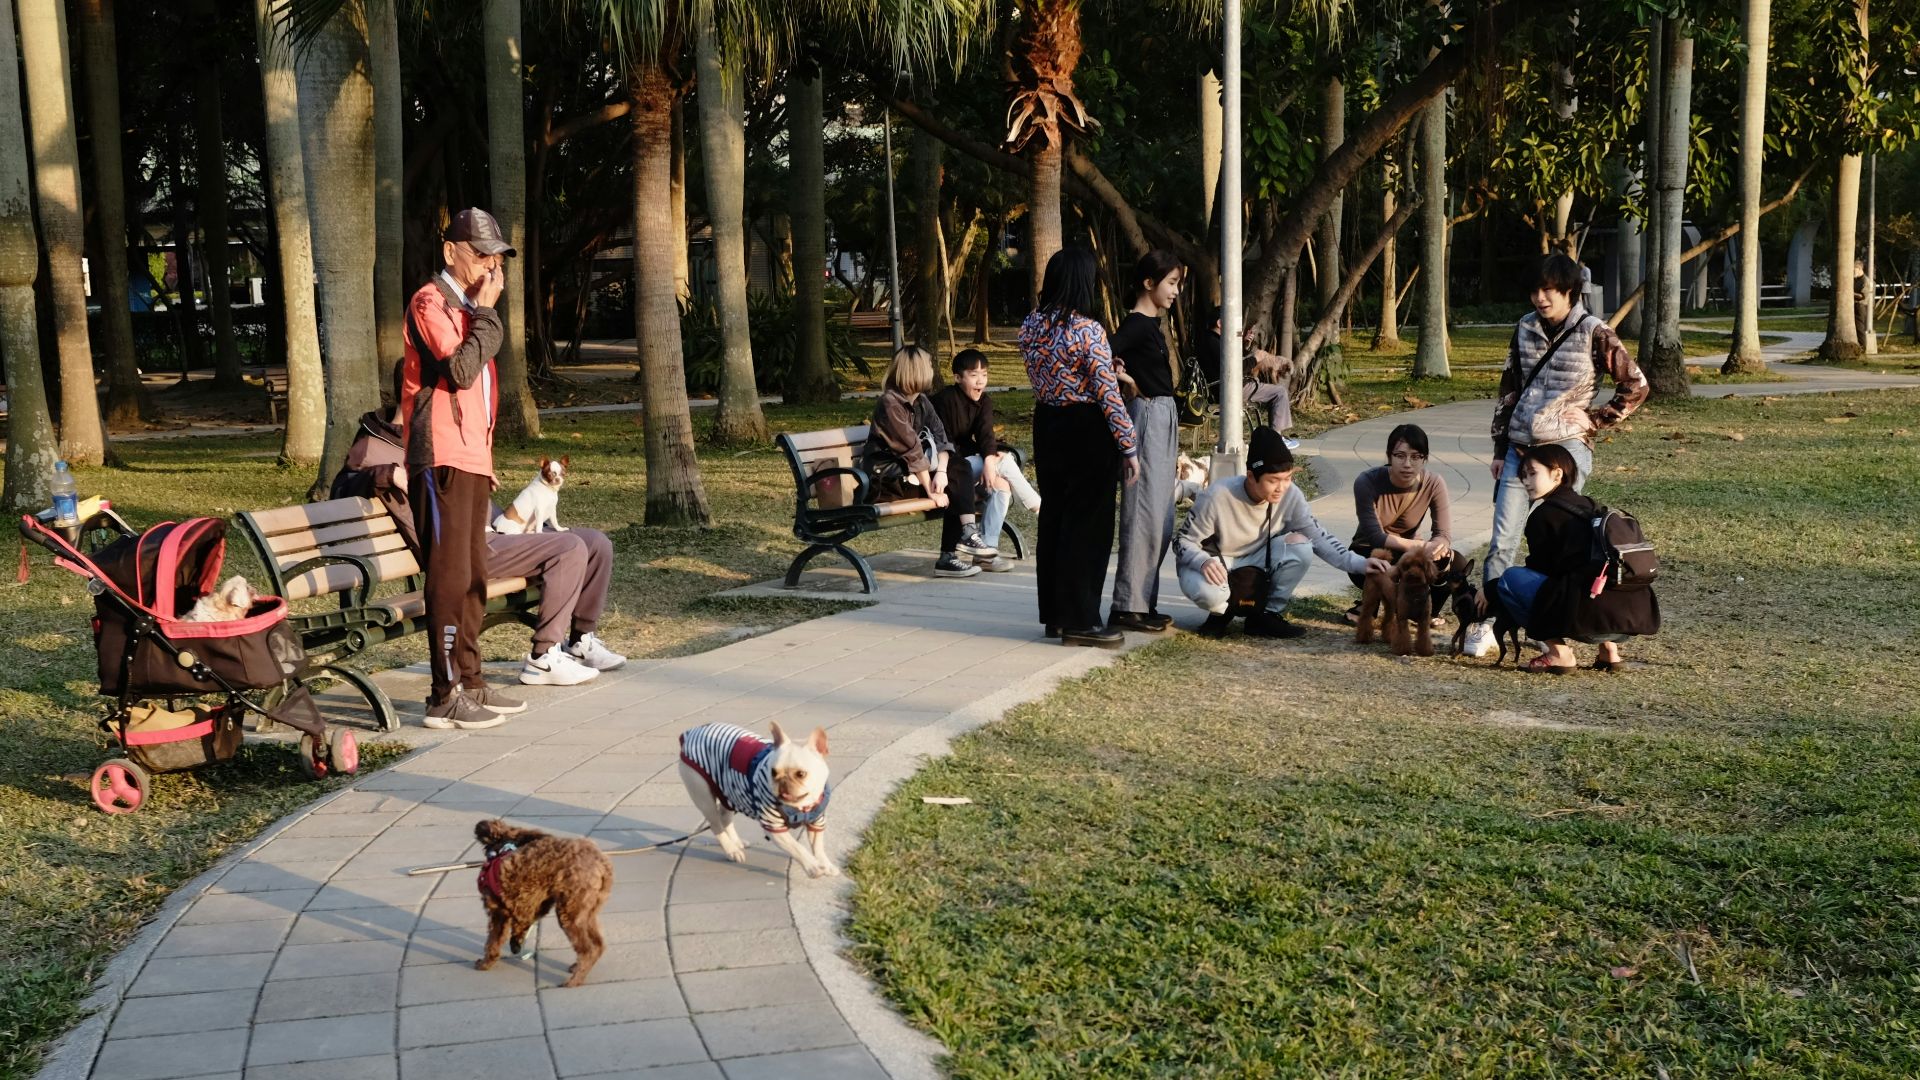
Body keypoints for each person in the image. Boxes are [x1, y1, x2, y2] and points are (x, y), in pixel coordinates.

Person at [331, 407, 626, 727]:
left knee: (596, 542)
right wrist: (387, 474)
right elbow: (341, 488)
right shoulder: (375, 444)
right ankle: (543, 657)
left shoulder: (436, 433)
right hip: (466, 549)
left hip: (492, 532)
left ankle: (580, 640)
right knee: (568, 547)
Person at [1464, 252, 1649, 653]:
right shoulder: (1525, 327)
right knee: (1503, 538)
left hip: (1564, 448)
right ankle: (1492, 620)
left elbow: (1636, 384)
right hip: (1519, 445)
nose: (1539, 298)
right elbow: (1509, 388)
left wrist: (1596, 419)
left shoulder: (1595, 331)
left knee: (1561, 540)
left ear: (1569, 291)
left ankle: (1565, 620)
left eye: (1548, 290)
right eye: (1534, 290)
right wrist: (1500, 446)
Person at [398, 207, 527, 728]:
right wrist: (488, 312)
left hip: (470, 458)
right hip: (439, 457)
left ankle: (471, 680)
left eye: (497, 256)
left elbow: (480, 397)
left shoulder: (471, 310)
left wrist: (485, 458)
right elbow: (461, 368)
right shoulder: (431, 301)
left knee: (474, 573)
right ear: (451, 251)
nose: (490, 266)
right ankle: (443, 693)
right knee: (450, 576)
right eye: (481, 254)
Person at [1019, 247, 1139, 648]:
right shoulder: (1087, 329)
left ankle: (1055, 616)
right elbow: (1107, 394)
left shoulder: (1030, 325)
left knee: (1055, 518)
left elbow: (1055, 374)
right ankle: (1082, 620)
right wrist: (1129, 446)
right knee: (1087, 527)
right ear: (1083, 281)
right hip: (1087, 429)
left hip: (1048, 424)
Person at [1175, 427, 1390, 639]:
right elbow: (1182, 541)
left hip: (1258, 558)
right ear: (1251, 476)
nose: (1282, 487)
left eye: (1287, 478)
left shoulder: (1291, 495)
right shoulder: (1218, 495)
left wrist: (1360, 563)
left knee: (1301, 546)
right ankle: (1219, 615)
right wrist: (1202, 561)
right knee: (1212, 595)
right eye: (1273, 480)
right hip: (1216, 562)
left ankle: (1267, 615)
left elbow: (1318, 536)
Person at [1491, 443, 1658, 672]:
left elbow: (1541, 573)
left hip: (1585, 623)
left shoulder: (1543, 515)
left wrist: (1491, 588)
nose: (1526, 481)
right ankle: (1610, 652)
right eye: (1523, 475)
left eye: (1532, 473)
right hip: (1628, 621)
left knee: (1510, 579)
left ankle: (1559, 653)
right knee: (1591, 575)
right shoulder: (1592, 506)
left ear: (1557, 473)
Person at [862, 346, 998, 578]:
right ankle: (949, 555)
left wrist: (942, 471)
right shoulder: (890, 403)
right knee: (956, 483)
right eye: (927, 365)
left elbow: (941, 438)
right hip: (887, 479)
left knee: (957, 468)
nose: (931, 369)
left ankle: (965, 534)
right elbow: (911, 451)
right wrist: (931, 490)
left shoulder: (921, 401)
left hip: (914, 471)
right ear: (914, 370)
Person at [1108, 250, 1185, 632]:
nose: (1176, 291)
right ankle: (1127, 606)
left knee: (1161, 515)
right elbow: (1101, 355)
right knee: (1143, 512)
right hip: (1148, 416)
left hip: (1163, 416)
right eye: (1171, 283)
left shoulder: (1152, 325)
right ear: (1148, 283)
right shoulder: (1137, 324)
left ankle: (1142, 601)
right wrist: (1127, 382)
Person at [929, 349, 1041, 574]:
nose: (980, 380)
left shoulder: (984, 401)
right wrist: (990, 461)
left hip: (964, 465)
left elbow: (986, 435)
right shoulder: (946, 400)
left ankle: (986, 554)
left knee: (1001, 486)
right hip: (946, 468)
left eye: (984, 374)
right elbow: (945, 443)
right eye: (973, 375)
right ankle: (1038, 507)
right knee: (1006, 461)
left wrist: (989, 462)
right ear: (958, 377)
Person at [1343, 423, 1454, 624]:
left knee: (1455, 562)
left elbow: (1443, 533)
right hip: (1369, 550)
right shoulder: (1367, 481)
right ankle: (1369, 605)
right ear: (1389, 456)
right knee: (1379, 558)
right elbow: (1376, 536)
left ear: (1425, 458)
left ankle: (1428, 611)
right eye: (1400, 455)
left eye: (1416, 456)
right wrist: (1422, 547)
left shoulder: (1434, 483)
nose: (1407, 464)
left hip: (1409, 553)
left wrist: (1438, 549)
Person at [1198, 310, 1299, 448]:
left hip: (1224, 387)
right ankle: (1276, 439)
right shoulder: (1214, 343)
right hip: (1231, 390)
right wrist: (1256, 358)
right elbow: (1234, 369)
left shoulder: (1210, 340)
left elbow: (1231, 361)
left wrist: (1246, 346)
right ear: (1220, 323)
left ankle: (1275, 436)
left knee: (1275, 391)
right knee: (1279, 392)